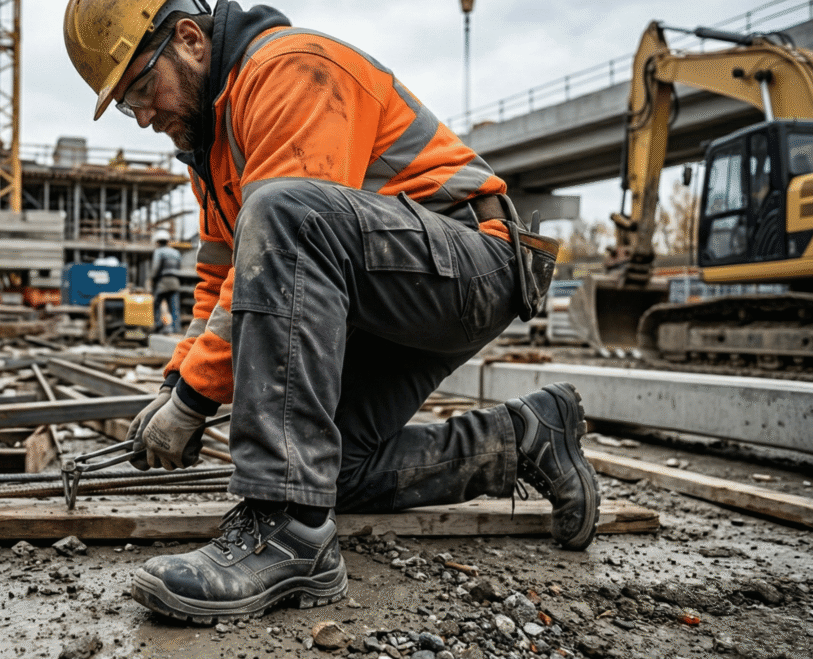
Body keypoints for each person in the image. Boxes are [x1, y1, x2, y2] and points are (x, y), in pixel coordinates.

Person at [64, 0, 597, 624]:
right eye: (128, 105)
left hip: (475, 263)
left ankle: (288, 530)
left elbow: (294, 230)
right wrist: (175, 387)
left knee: (288, 211)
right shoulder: (212, 149)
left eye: (142, 88)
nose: (144, 116)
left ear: (189, 39)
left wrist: (195, 401)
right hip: (391, 290)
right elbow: (219, 283)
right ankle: (525, 438)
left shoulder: (289, 70)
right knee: (330, 467)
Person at [149, 229, 183, 334]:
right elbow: (179, 266)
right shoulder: (176, 252)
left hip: (163, 282)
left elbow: (155, 267)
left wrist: (152, 279)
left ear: (158, 241)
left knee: (156, 304)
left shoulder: (159, 252)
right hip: (175, 281)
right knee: (174, 307)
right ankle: (176, 329)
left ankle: (158, 325)